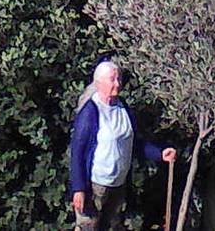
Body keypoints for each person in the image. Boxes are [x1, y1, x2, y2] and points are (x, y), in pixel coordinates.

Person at [69, 60, 176, 230]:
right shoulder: (90, 112)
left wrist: (160, 153)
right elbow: (77, 153)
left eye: (118, 79)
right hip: (95, 186)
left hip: (118, 185)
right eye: (112, 79)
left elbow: (134, 142)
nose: (117, 84)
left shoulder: (122, 108)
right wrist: (79, 189)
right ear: (99, 83)